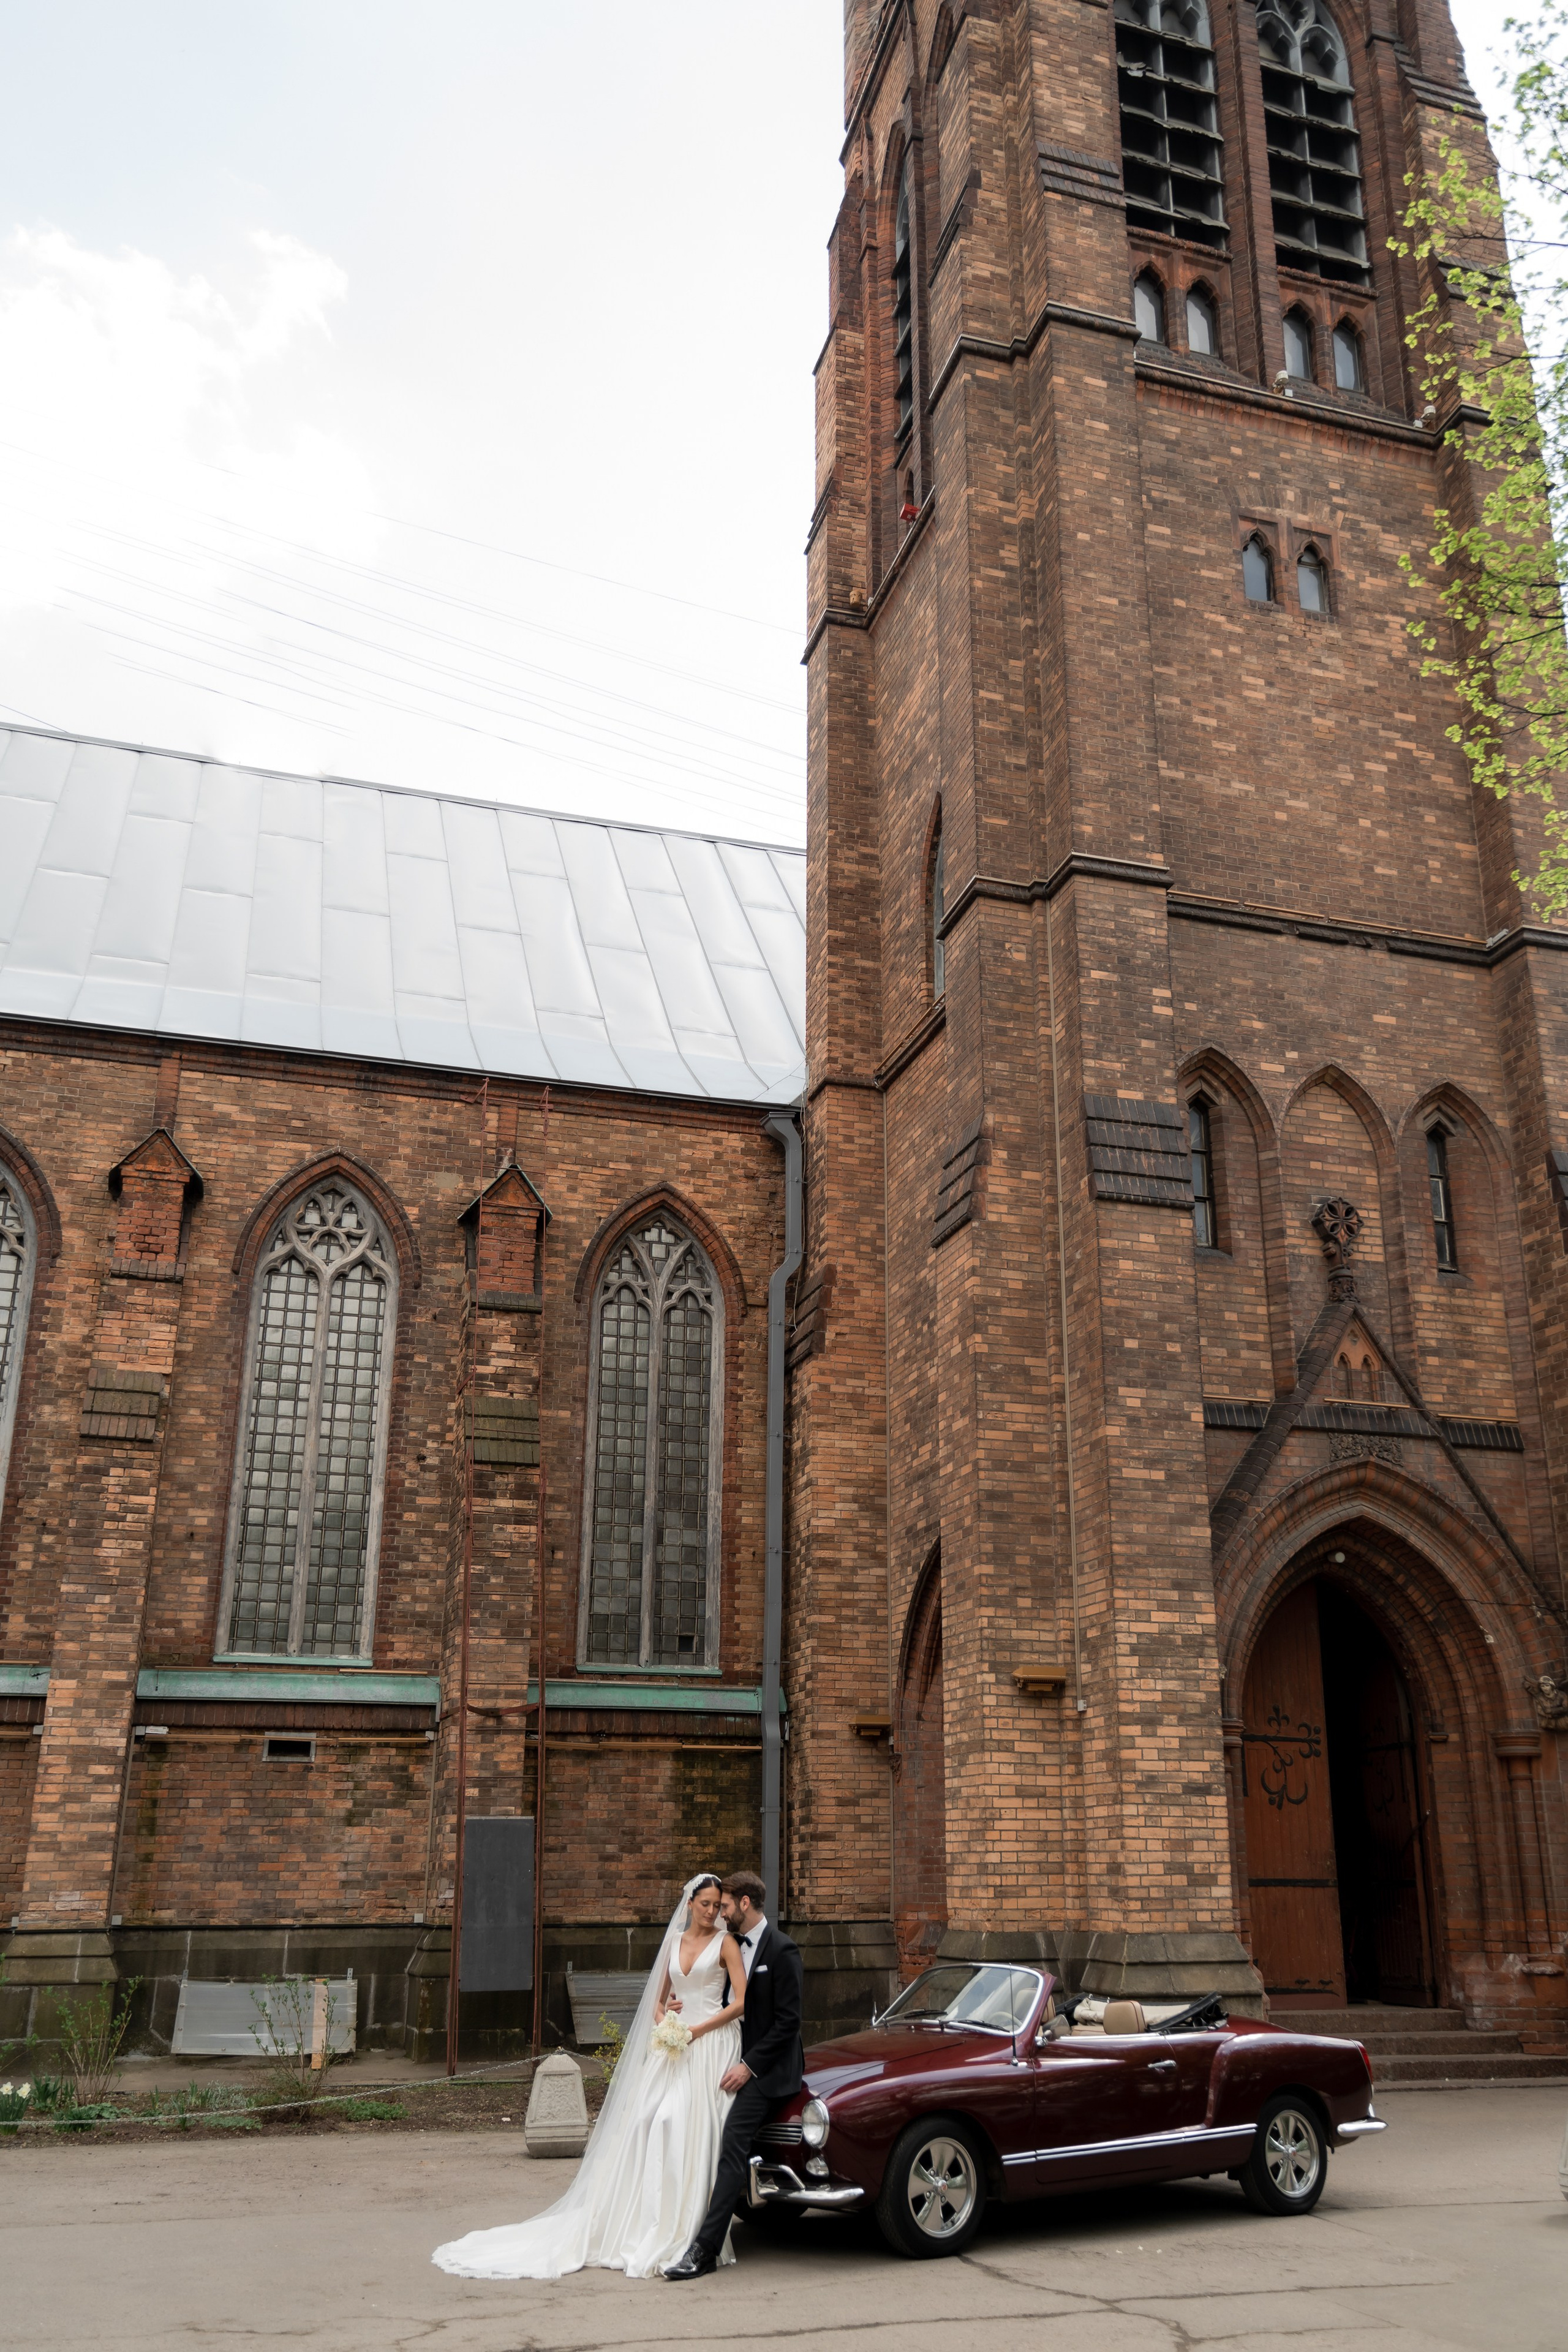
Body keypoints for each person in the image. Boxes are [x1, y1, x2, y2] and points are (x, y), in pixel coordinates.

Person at [431, 1872, 747, 2280]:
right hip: (674, 2046)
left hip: (709, 2043)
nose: (710, 1911)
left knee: (682, 2124)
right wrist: (666, 2022)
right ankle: (645, 2216)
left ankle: (687, 2227)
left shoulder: (726, 1944)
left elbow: (741, 2002)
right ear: (689, 1904)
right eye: (704, 1903)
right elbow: (657, 2000)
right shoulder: (674, 1942)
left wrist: (696, 2031)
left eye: (715, 1904)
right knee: (648, 2122)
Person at [663, 1870, 805, 2281]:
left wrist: (750, 2066)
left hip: (767, 2068)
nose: (720, 1913)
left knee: (731, 2138)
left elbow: (789, 2022)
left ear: (745, 1903)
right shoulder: (729, 1944)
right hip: (722, 2055)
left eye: (725, 1905)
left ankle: (704, 2251)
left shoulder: (783, 1950)